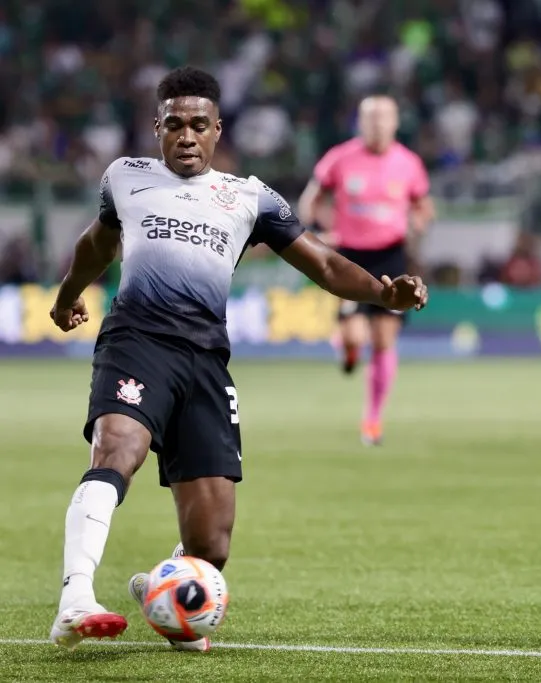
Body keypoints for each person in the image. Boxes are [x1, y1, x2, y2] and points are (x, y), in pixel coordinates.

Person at [48, 67, 428, 652]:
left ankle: (163, 588)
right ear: (156, 128)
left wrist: (382, 293)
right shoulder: (125, 178)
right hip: (138, 342)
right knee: (117, 448)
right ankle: (76, 599)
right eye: (174, 124)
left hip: (205, 361)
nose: (186, 135)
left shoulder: (249, 196)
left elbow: (324, 265)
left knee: (213, 547)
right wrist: (70, 295)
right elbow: (99, 242)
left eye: (199, 124)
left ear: (217, 130)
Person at [297, 95, 434, 447]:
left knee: (384, 339)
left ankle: (372, 420)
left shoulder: (409, 163)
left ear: (395, 122)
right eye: (371, 118)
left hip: (391, 256)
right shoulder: (340, 158)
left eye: (384, 118)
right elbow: (310, 200)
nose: (377, 124)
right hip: (350, 257)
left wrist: (419, 224)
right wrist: (322, 229)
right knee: (356, 336)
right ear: (361, 122)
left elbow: (423, 206)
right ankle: (348, 349)